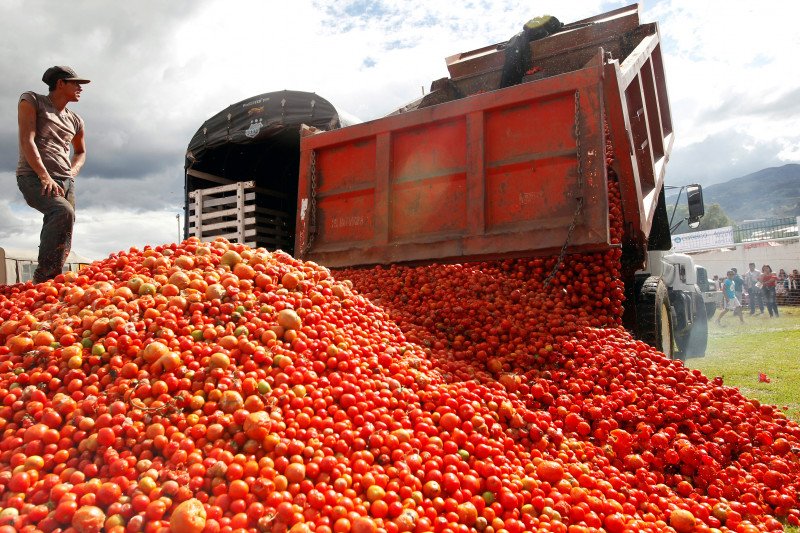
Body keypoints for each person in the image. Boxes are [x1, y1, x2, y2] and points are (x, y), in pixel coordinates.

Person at [16, 66, 89, 283]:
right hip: (33, 175)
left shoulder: (75, 120)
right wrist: (44, 176)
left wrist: (72, 173)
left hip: (65, 180)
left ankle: (54, 279)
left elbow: (81, 152)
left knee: (66, 224)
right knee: (62, 211)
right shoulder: (32, 101)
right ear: (60, 84)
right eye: (76, 83)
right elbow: (26, 140)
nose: (80, 89)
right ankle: (44, 279)